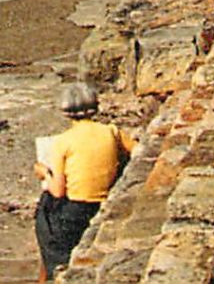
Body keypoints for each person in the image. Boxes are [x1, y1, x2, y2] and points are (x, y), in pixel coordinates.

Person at [32, 83, 136, 282]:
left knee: (45, 214)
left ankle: (55, 267)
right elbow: (138, 150)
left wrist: (44, 172)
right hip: (104, 201)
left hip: (76, 211)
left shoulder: (63, 141)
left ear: (65, 112)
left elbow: (58, 191)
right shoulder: (112, 131)